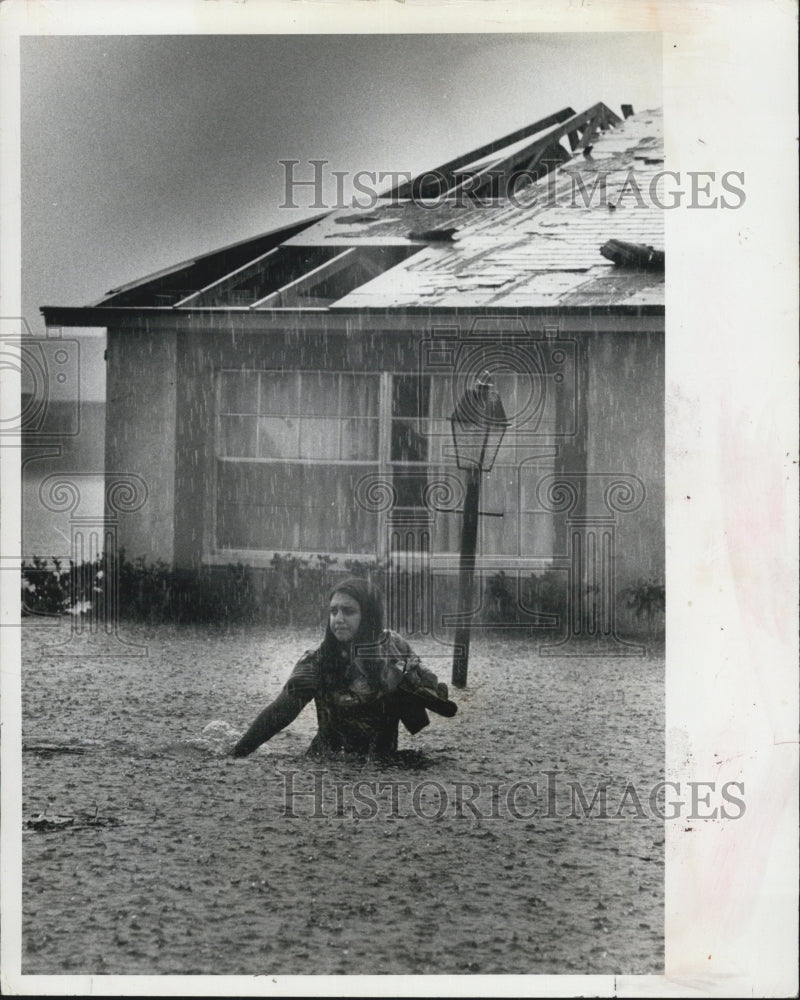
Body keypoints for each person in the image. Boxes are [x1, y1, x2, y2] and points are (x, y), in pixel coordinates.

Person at [232, 577, 456, 759]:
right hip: (328, 766)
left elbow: (436, 702)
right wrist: (236, 755)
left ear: (368, 616)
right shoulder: (317, 664)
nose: (338, 619)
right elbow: (278, 715)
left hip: (384, 767)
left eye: (348, 611)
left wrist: (416, 683)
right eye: (333, 611)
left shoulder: (394, 647)